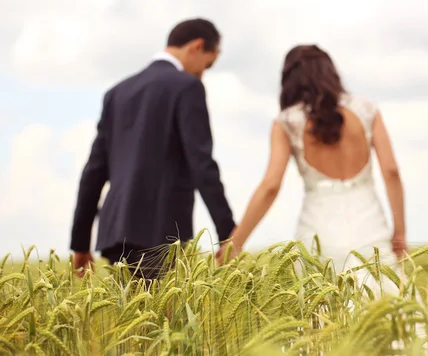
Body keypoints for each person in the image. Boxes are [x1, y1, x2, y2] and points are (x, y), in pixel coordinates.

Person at [70, 18, 236, 280]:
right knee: (162, 319)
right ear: (197, 46)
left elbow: (94, 171)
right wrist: (228, 233)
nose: (202, 74)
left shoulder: (118, 92)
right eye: (207, 65)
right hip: (162, 230)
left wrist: (80, 242)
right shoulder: (187, 87)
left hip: (116, 231)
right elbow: (201, 165)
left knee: (133, 317)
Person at [219, 44, 407, 275]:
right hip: (370, 224)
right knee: (384, 298)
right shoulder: (367, 110)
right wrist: (400, 233)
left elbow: (270, 186)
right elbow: (391, 170)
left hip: (319, 229)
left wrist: (235, 243)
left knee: (322, 304)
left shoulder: (287, 122)